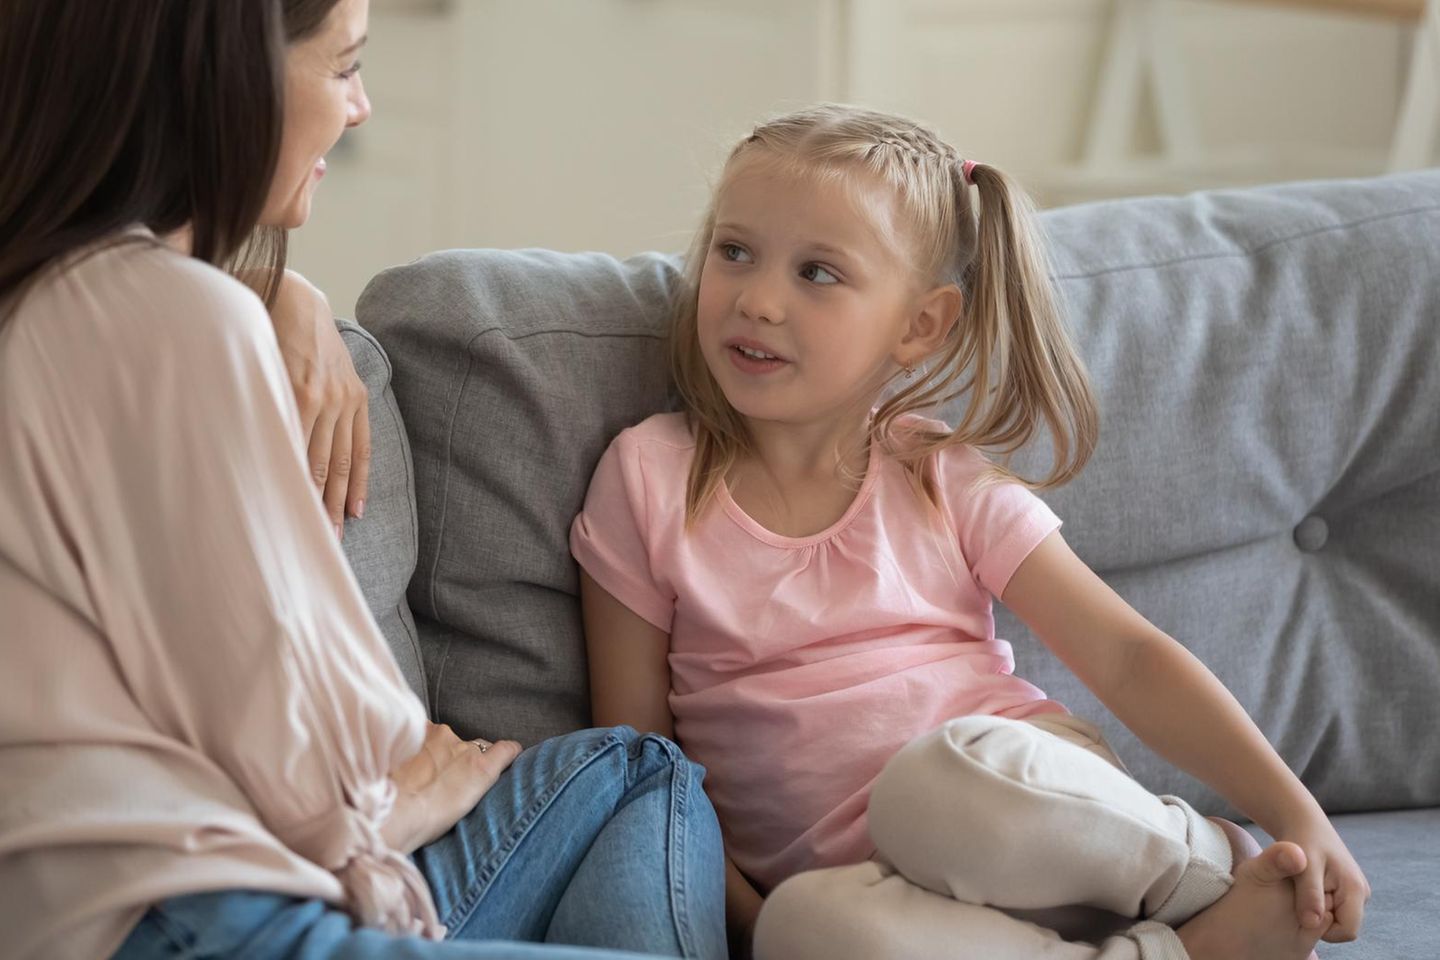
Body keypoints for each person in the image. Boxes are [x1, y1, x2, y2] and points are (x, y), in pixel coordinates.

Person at [0, 2, 727, 958]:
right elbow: (308, 762)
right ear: (227, 77)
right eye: (343, 66)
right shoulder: (173, 320)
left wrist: (275, 289)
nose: (362, 107)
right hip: (201, 918)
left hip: (151, 906)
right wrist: (393, 795)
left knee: (638, 766)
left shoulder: (63, 296)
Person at [570, 104, 1369, 960]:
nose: (757, 300)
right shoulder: (648, 478)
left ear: (919, 326)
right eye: (735, 253)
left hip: (1016, 814)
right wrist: (746, 915)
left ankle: (1201, 868)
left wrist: (1295, 814)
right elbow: (645, 765)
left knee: (930, 787)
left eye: (818, 273)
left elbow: (1129, 658)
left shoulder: (936, 472)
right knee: (798, 925)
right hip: (900, 903)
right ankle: (1173, 952)